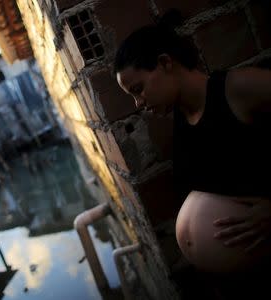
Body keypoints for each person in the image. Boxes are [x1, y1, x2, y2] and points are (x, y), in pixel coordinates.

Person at [112, 10, 271, 299]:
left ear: (164, 63)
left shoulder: (237, 89)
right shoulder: (182, 118)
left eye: (139, 89)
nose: (139, 103)